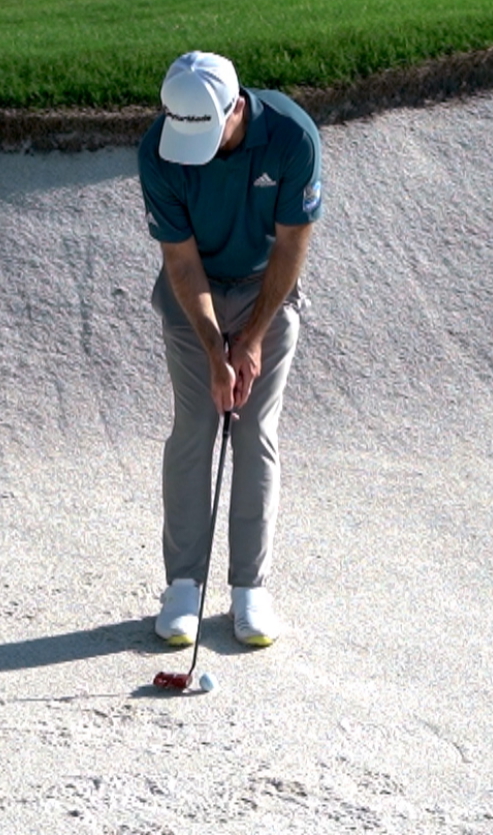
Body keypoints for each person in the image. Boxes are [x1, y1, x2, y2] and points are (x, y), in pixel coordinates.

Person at [138, 51, 324, 648]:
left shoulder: (293, 137)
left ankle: (250, 589)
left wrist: (250, 339)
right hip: (197, 302)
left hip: (267, 290)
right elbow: (181, 261)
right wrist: (217, 351)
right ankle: (183, 588)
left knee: (253, 433)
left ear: (237, 107)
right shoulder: (159, 150)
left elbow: (293, 244)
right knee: (194, 429)